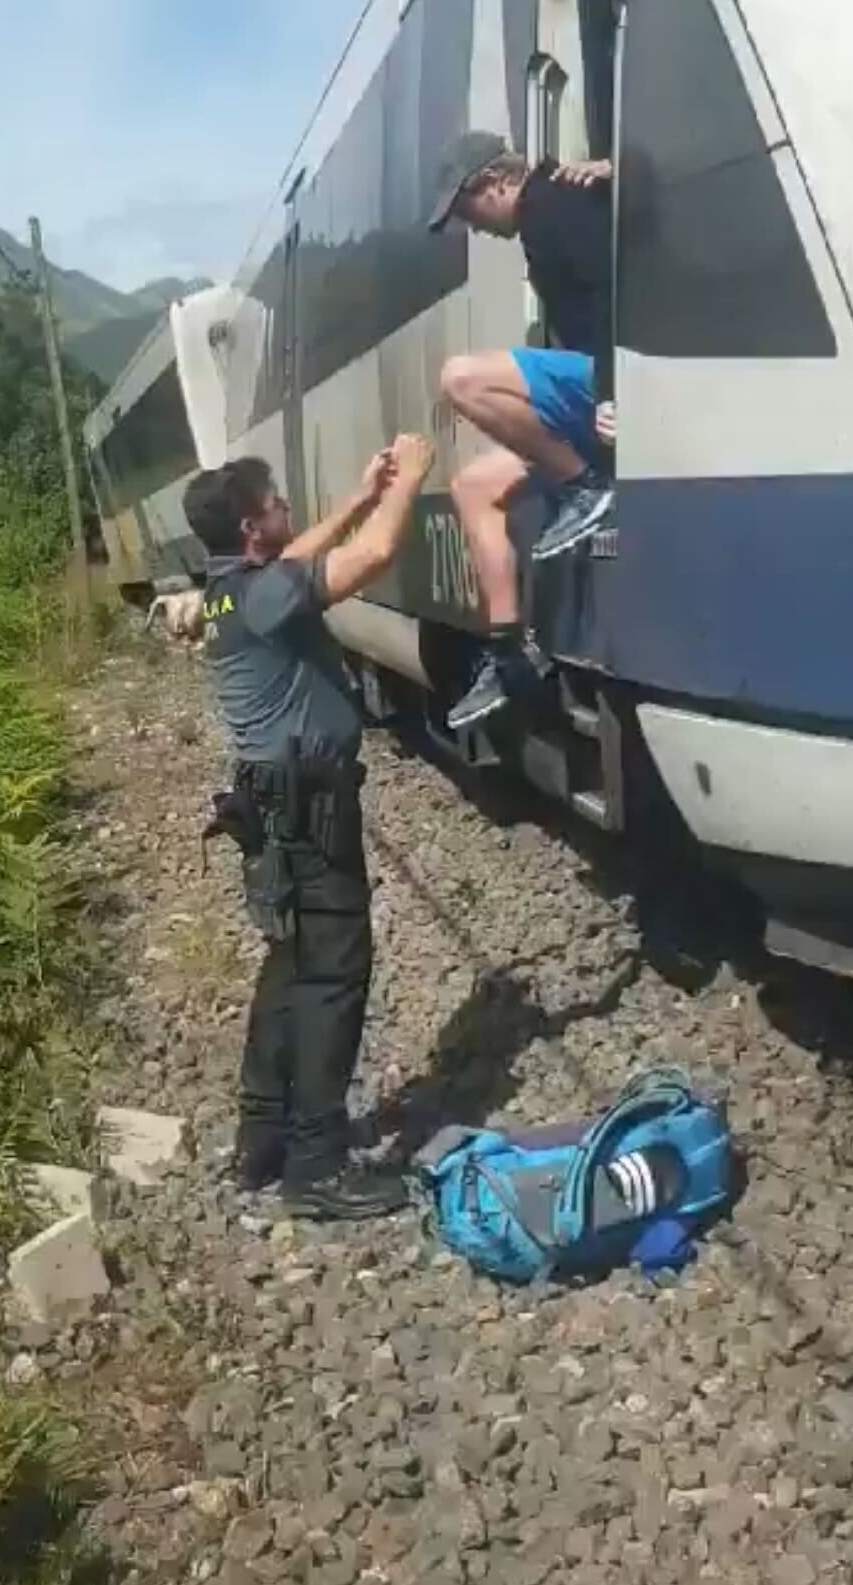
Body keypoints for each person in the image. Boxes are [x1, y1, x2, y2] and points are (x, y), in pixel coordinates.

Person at [183, 433, 434, 1221]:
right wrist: (409, 481)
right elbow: (372, 556)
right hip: (309, 809)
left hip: (273, 806)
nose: (287, 508)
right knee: (332, 974)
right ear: (251, 526)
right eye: (276, 503)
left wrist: (359, 495)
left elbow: (297, 558)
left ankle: (261, 1138)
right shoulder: (264, 595)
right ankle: (317, 1166)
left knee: (290, 962)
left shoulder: (228, 589)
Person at [429, 134, 615, 732]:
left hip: (619, 382)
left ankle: (585, 488)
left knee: (462, 379)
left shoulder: (553, 206)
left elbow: (618, 295)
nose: (473, 228)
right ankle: (508, 652)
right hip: (600, 390)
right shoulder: (547, 212)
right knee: (474, 487)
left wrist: (612, 393)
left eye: (466, 210)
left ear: (494, 183)